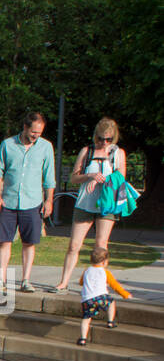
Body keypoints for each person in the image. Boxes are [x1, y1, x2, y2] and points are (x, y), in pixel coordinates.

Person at [54, 119, 128, 294]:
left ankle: (99, 284)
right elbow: (74, 177)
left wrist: (103, 179)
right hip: (85, 203)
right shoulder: (87, 151)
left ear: (113, 137)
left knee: (101, 245)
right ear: (96, 136)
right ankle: (64, 281)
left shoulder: (118, 154)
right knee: (74, 245)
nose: (104, 143)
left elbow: (121, 179)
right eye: (101, 138)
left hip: (106, 204)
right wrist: (91, 175)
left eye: (108, 139)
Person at [0, 111, 55, 295]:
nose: (36, 136)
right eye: (34, 132)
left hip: (32, 201)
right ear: (25, 127)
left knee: (29, 242)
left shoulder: (45, 147)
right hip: (8, 201)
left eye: (39, 133)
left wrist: (49, 200)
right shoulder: (8, 145)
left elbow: (49, 178)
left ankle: (26, 280)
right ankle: (0, 280)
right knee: (4, 241)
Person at [75, 247, 130, 346]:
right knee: (111, 302)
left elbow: (81, 282)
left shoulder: (87, 270)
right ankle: (110, 322)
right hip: (101, 297)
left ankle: (83, 339)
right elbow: (114, 285)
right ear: (104, 262)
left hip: (87, 300)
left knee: (86, 319)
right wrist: (125, 294)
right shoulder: (105, 272)